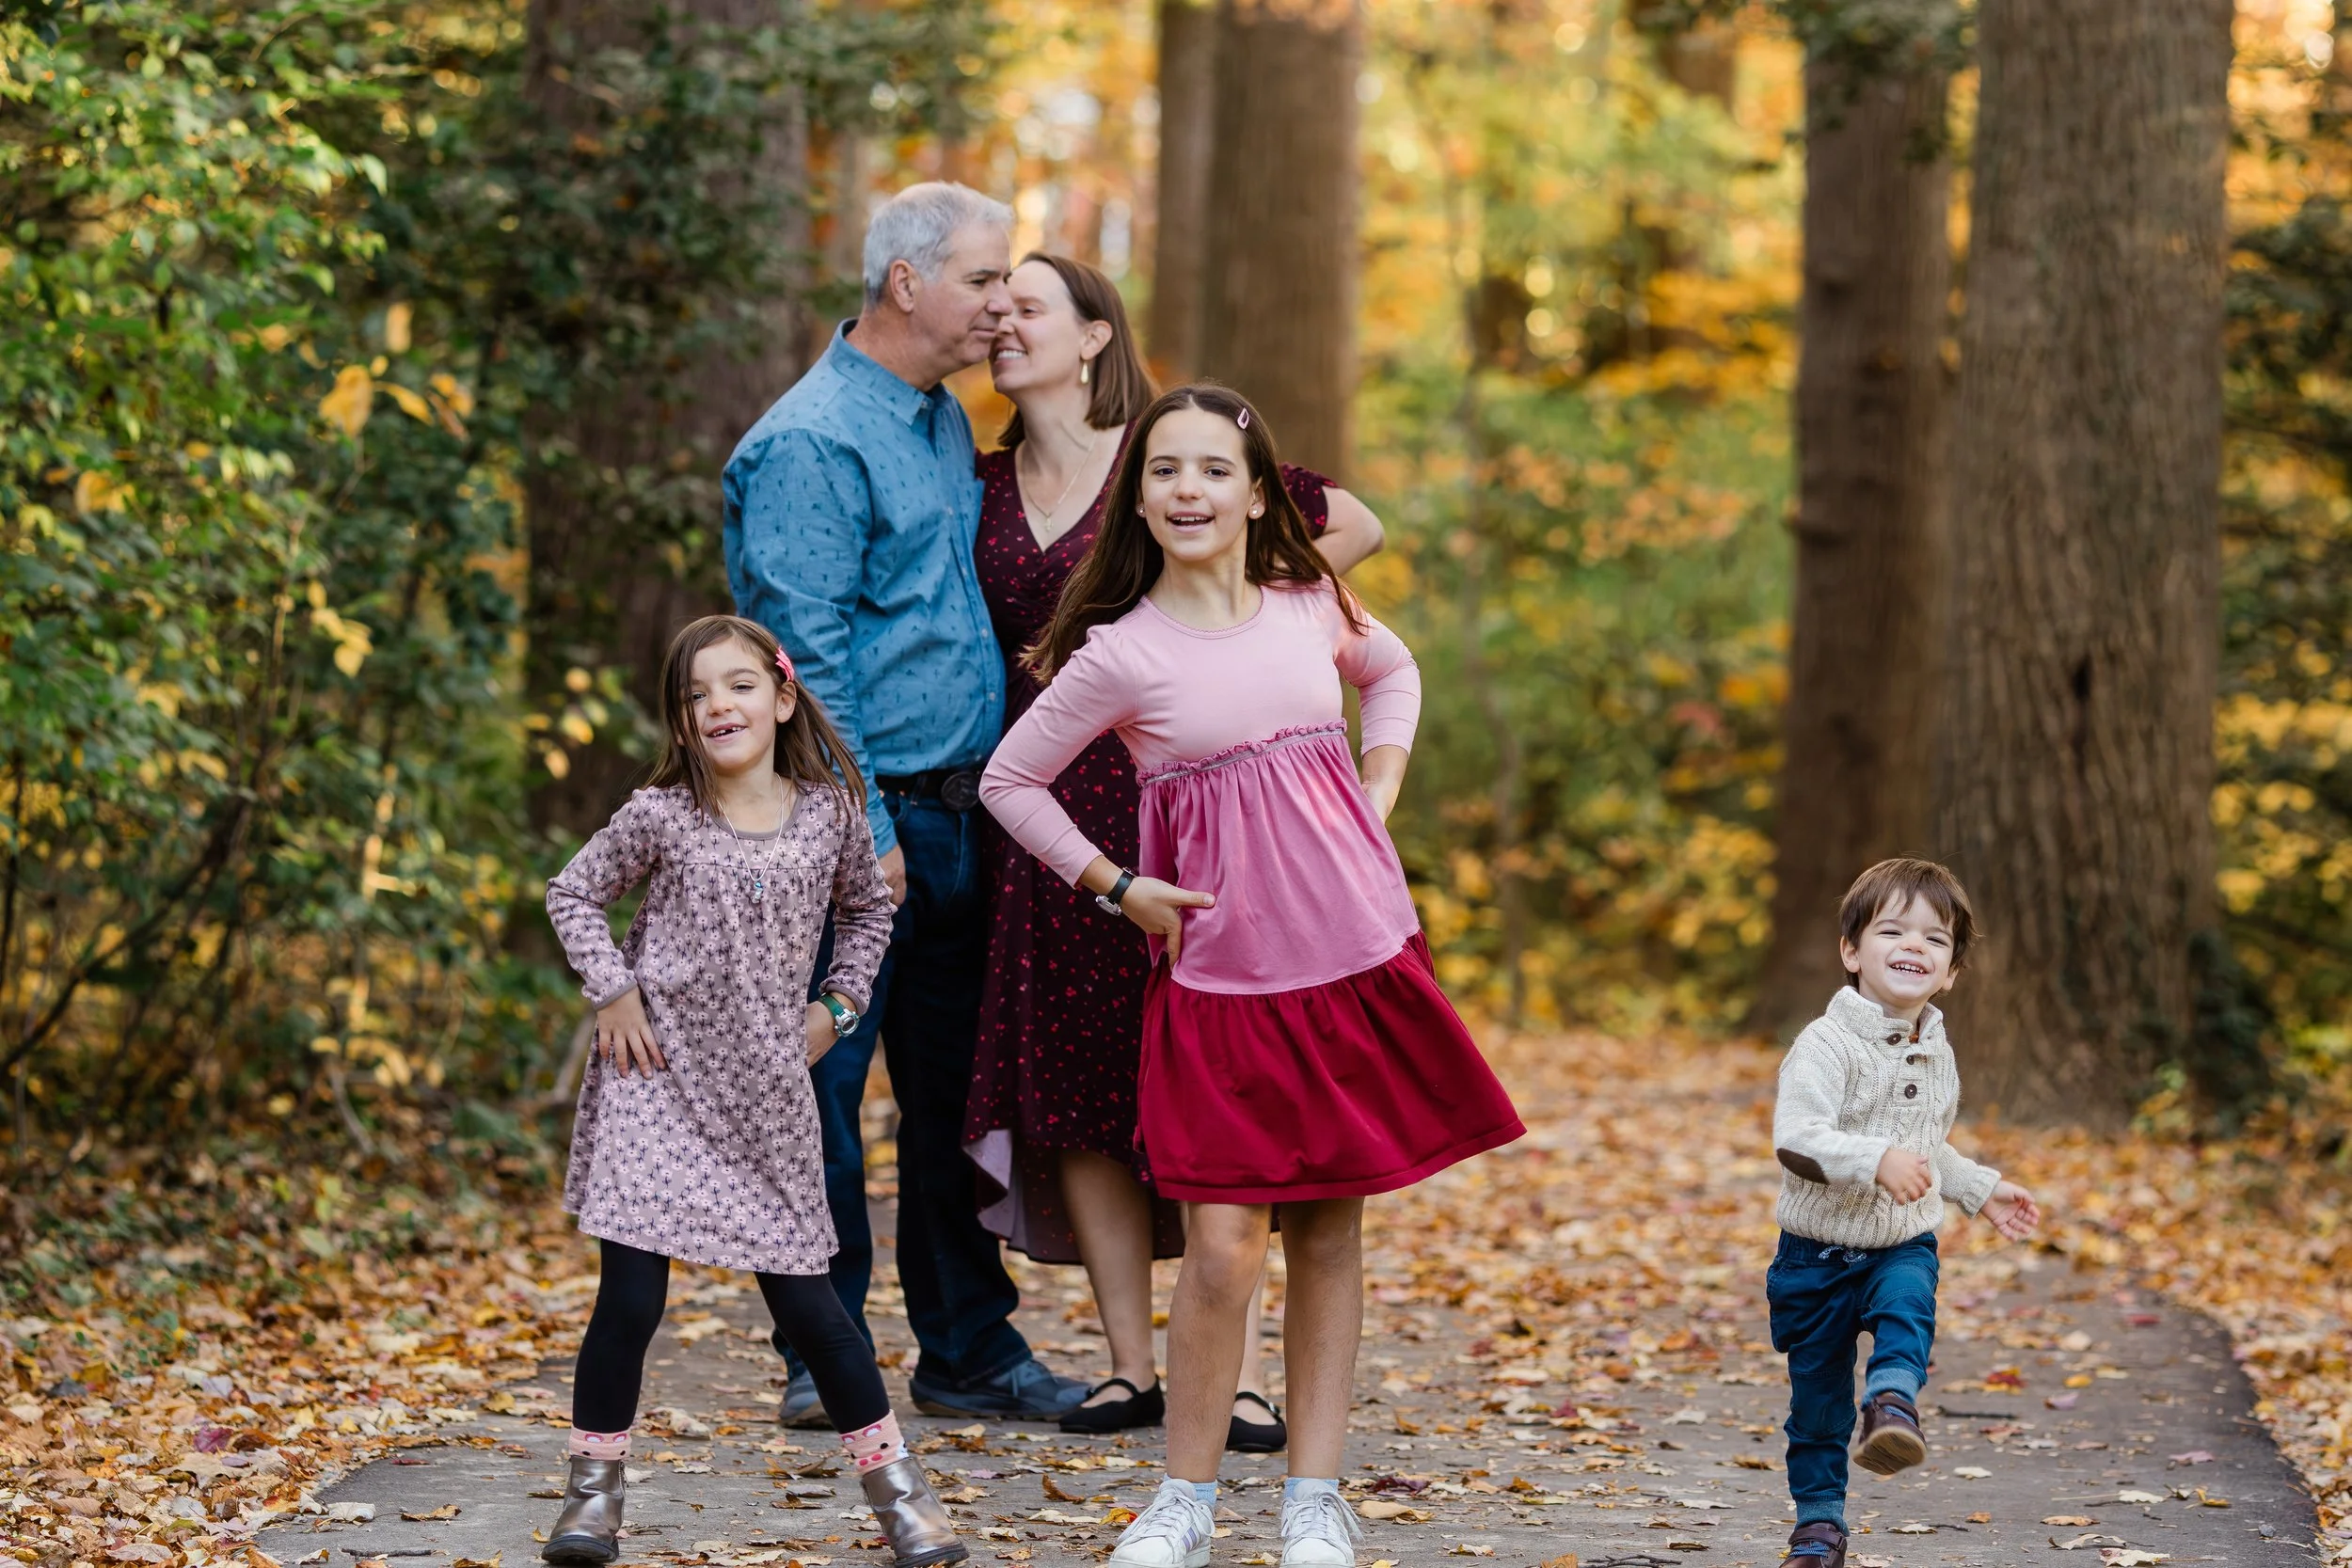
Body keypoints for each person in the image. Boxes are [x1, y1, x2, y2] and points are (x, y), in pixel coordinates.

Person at [980, 384, 1525, 1568]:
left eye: (1213, 470)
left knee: (1328, 1234)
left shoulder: (1307, 600)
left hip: (1355, 956)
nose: (1187, 489)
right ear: (1139, 495)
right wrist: (1116, 885)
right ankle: (1183, 1497)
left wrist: (1378, 788)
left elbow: (1394, 674)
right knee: (1224, 1249)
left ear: (1257, 491)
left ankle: (1311, 1496)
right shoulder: (1118, 651)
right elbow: (1009, 783)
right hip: (1220, 980)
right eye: (1164, 470)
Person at [965, 252, 1388, 1446]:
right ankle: (1125, 1362)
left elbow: (1349, 525)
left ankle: (1240, 1377)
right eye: (992, 312)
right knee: (1085, 1086)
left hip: (1202, 814)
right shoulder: (983, 479)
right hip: (1071, 815)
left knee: (1233, 1089)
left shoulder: (1172, 452)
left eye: (1028, 308)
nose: (1003, 327)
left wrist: (1250, 623)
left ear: (1098, 332)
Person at [723, 182, 1089, 1425]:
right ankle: (823, 1359)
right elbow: (800, 653)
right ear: (907, 283)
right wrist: (861, 826)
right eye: (987, 279)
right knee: (823, 1090)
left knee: (952, 1092)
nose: (1003, 303)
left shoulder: (933, 420)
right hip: (850, 823)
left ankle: (968, 1349)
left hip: (964, 816)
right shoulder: (813, 439)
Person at [539, 615, 965, 1568]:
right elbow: (573, 893)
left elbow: (866, 910)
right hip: (655, 1078)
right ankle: (592, 1500)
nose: (715, 705)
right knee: (632, 1295)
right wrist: (611, 989)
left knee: (813, 1307)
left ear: (779, 699)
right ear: (682, 724)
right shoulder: (661, 812)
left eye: (735, 685)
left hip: (766, 1094)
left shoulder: (830, 814)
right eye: (695, 695)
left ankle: (902, 1501)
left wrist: (840, 1006)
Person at [1766, 858, 2044, 1568]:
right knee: (1817, 1406)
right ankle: (1819, 1528)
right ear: (1852, 951)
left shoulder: (1936, 1046)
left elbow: (1926, 1147)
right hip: (1815, 1254)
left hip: (1899, 1240)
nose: (1914, 945)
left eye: (1935, 938)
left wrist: (1979, 1188)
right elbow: (1797, 1137)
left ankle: (1891, 1405)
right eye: (1893, 929)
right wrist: (1874, 1157)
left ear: (1951, 969)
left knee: (1908, 1304)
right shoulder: (1825, 1046)